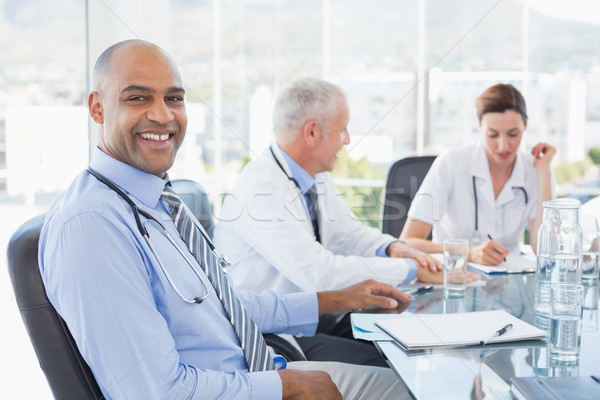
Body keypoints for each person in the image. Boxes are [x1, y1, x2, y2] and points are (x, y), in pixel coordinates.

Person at [38, 39, 410, 400]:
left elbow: (226, 306)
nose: (163, 115)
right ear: (97, 108)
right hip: (242, 384)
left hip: (255, 370)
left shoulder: (158, 202)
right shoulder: (91, 225)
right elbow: (155, 393)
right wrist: (288, 387)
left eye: (174, 98)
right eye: (138, 97)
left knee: (410, 382)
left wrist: (338, 298)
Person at [213, 77, 446, 365]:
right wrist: (413, 269)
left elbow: (347, 234)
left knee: (409, 339)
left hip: (314, 317)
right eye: (343, 130)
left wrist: (394, 249)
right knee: (391, 363)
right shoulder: (261, 189)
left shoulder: (313, 175)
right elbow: (318, 273)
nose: (347, 139)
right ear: (311, 132)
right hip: (273, 334)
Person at [400, 83, 556, 266]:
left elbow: (545, 252)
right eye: (492, 134)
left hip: (508, 278)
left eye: (513, 134)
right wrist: (467, 252)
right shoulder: (451, 163)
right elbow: (407, 241)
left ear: (526, 124)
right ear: (480, 127)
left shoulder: (536, 169)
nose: (503, 145)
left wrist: (544, 171)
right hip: (453, 277)